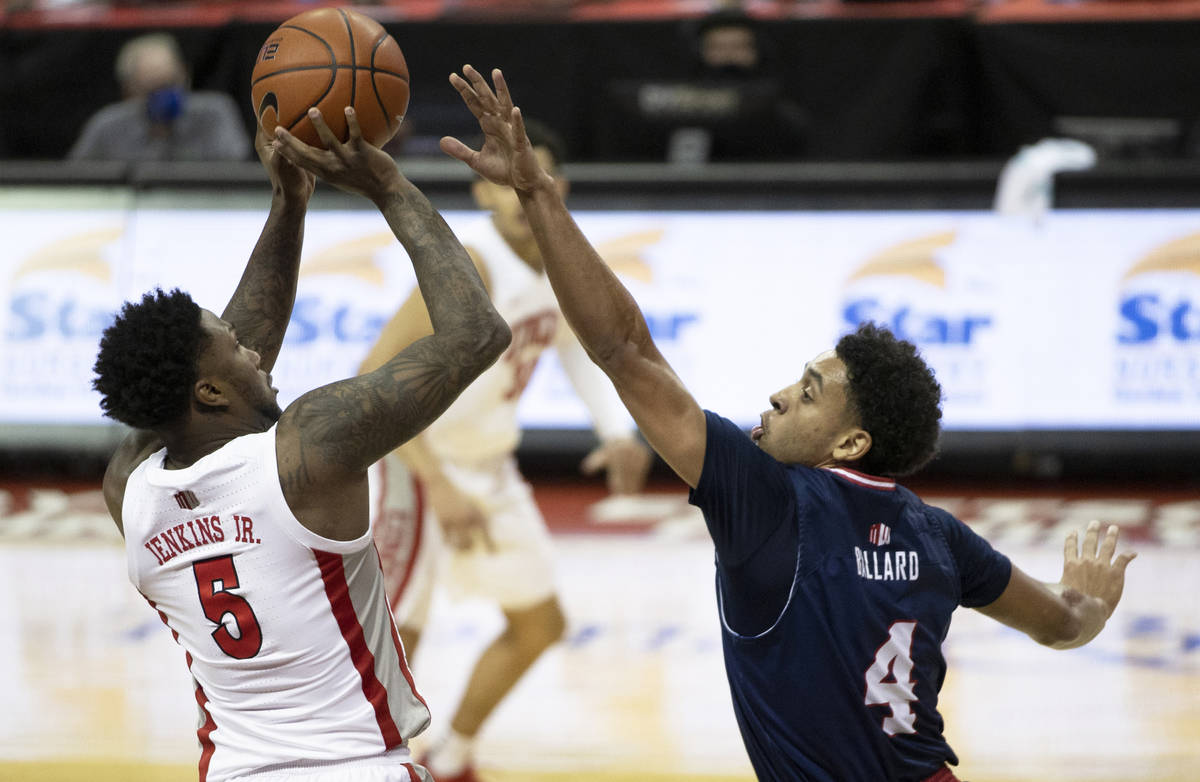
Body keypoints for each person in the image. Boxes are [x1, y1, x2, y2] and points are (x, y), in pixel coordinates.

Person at [438, 66, 1138, 782]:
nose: (776, 397)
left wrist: (535, 193)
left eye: (807, 394)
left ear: (851, 443)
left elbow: (624, 350)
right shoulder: (941, 538)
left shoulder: (769, 499)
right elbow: (1061, 624)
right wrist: (1091, 600)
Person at [92, 107, 510, 782]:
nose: (255, 351)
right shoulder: (308, 449)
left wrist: (289, 203)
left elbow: (210, 358)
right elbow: (478, 334)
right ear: (209, 395)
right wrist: (389, 188)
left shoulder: (129, 490)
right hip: (356, 767)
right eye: (234, 350)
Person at [359, 118, 652, 782]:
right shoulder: (470, 263)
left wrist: (614, 431)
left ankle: (454, 755)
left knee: (539, 623)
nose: (520, 191)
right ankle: (366, 766)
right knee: (396, 640)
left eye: (534, 177)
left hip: (488, 465)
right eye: (504, 181)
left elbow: (576, 345)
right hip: (416, 466)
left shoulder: (559, 257)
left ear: (558, 186)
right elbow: (374, 379)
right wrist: (437, 482)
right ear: (483, 193)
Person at [69, 32, 251, 162]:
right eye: (152, 89)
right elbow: (75, 180)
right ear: (129, 91)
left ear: (185, 76)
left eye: (171, 84)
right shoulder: (107, 127)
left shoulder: (215, 114)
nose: (164, 97)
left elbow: (237, 166)